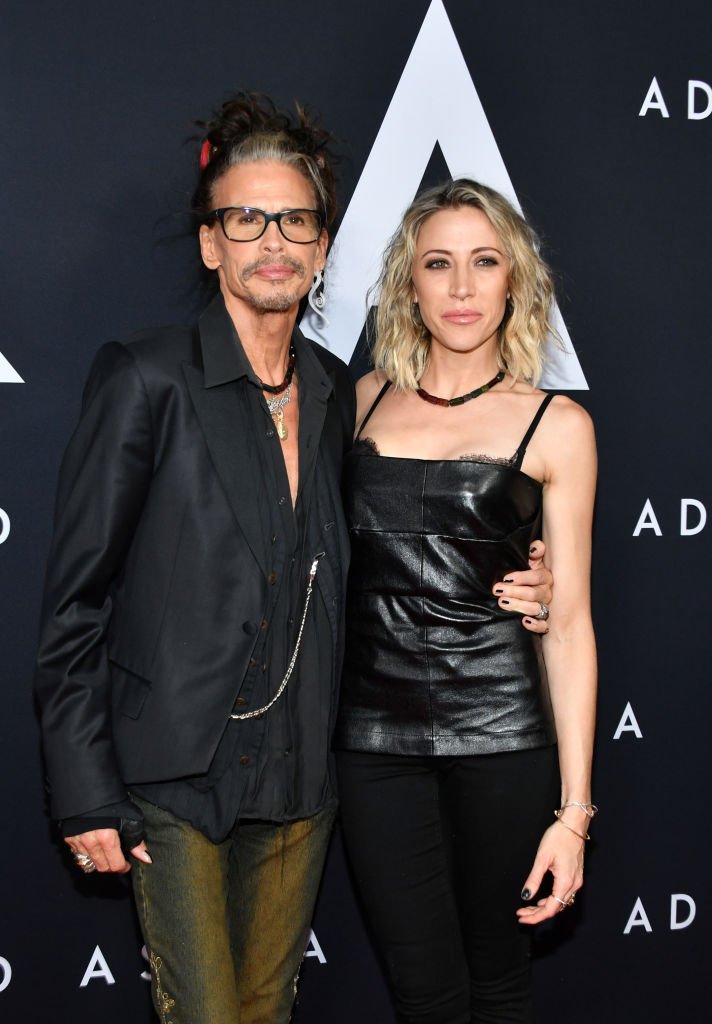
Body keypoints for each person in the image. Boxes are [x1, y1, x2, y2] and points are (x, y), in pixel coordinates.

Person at [34, 92, 553, 1024]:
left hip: (302, 775)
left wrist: (522, 570)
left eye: (296, 219)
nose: (272, 238)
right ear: (211, 244)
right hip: (174, 774)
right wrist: (82, 793)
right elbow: (75, 601)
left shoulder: (335, 394)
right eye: (245, 218)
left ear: (320, 247)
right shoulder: (146, 376)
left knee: (266, 1011)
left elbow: (400, 536)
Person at [334, 179, 597, 1024]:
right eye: (438, 263)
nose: (460, 287)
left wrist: (575, 815)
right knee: (425, 997)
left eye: (484, 263)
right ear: (408, 283)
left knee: (499, 985)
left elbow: (570, 629)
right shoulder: (361, 400)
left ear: (514, 280)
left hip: (502, 731)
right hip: (373, 739)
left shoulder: (555, 424)